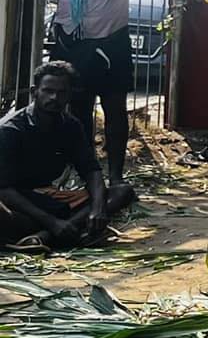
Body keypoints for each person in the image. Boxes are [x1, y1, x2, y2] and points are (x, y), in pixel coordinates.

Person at [0, 0, 155, 181]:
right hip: (72, 44)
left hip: (111, 44)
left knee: (115, 111)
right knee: (78, 112)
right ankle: (87, 176)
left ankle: (117, 177)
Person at [0, 59, 135, 247]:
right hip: (17, 202)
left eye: (61, 93)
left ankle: (46, 237)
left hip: (48, 199)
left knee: (122, 192)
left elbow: (91, 171)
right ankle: (60, 231)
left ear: (69, 95)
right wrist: (52, 222)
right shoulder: (11, 129)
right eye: (48, 91)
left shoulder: (70, 126)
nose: (54, 98)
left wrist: (97, 209)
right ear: (34, 93)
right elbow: (5, 190)